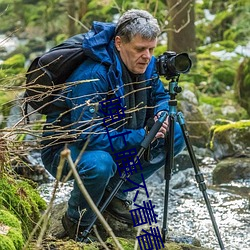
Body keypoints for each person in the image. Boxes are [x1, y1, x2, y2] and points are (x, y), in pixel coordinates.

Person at [41, 9, 185, 241]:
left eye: (151, 49)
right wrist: (142, 135)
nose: (147, 56)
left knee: (175, 132)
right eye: (140, 49)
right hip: (68, 150)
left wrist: (161, 114)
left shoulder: (145, 64)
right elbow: (88, 135)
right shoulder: (92, 75)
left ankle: (115, 192)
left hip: (118, 136)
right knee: (100, 164)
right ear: (119, 43)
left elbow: (159, 96)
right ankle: (76, 222)